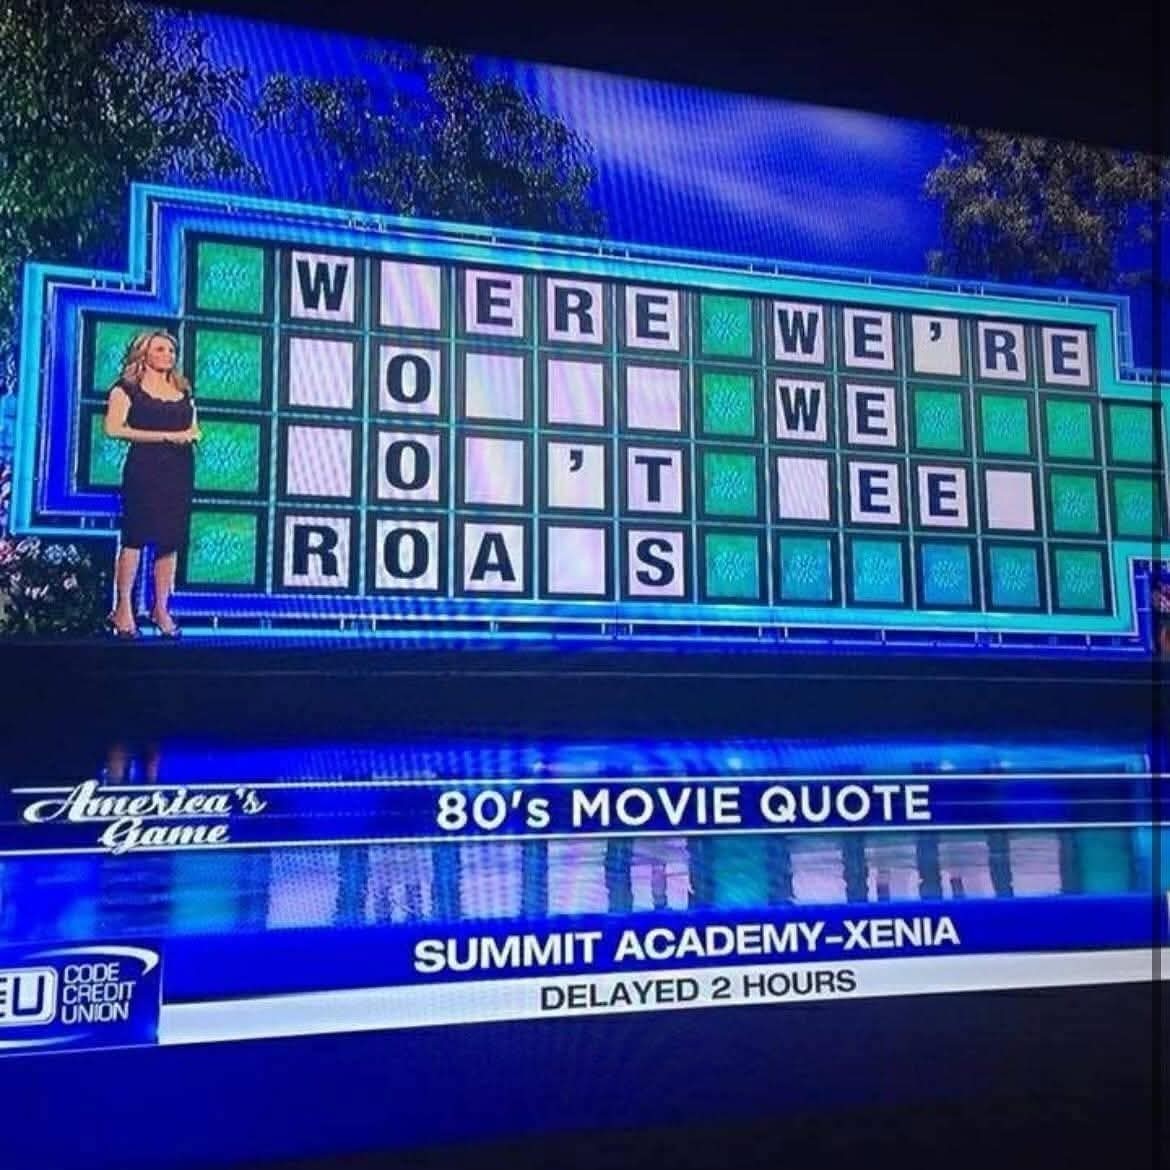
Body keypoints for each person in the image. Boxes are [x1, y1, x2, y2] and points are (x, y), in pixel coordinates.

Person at [103, 331, 200, 638]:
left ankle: (161, 608)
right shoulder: (126, 389)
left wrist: (190, 436)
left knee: (170, 539)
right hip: (144, 470)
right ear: (143, 353)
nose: (168, 355)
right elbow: (113, 428)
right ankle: (123, 609)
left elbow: (193, 426)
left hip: (179, 470)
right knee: (135, 537)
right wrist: (165, 437)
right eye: (160, 349)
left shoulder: (182, 389)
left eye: (172, 350)